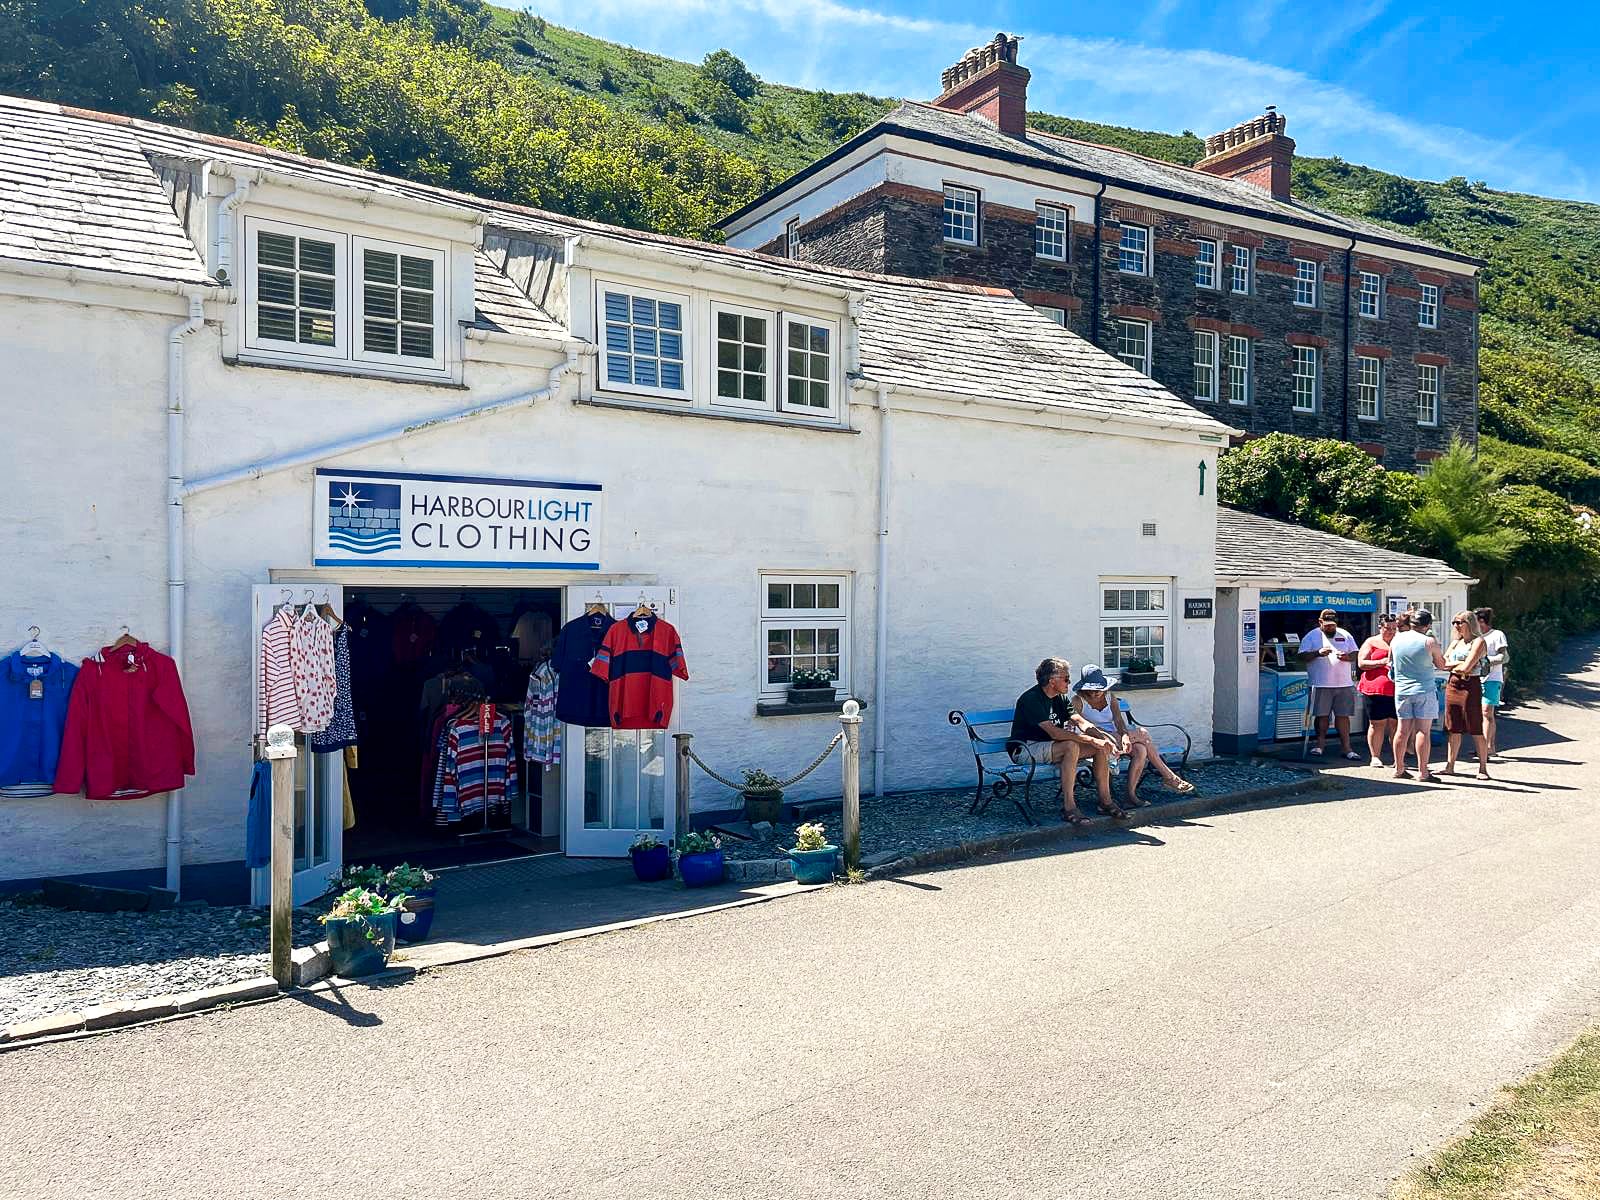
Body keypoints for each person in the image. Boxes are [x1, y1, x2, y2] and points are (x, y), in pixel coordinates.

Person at [1008, 657, 1121, 824]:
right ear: (1053, 681)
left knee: (1098, 748)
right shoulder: (1031, 699)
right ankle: (1069, 807)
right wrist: (1090, 739)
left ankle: (1105, 801)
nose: (1069, 682)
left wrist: (1102, 739)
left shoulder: (1060, 698)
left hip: (1052, 746)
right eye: (1066, 678)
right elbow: (1054, 733)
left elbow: (1080, 721)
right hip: (1026, 748)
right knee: (1071, 746)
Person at [1071, 664, 1196, 808]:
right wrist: (1112, 736)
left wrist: (1124, 736)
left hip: (1116, 736)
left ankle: (1130, 796)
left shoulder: (1110, 697)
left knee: (1141, 750)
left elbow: (1118, 720)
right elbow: (1080, 726)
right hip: (1097, 739)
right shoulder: (1078, 700)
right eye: (1090, 690)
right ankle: (1169, 777)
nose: (1093, 694)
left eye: (1097, 690)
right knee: (1142, 733)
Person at [1390, 610, 1448, 781]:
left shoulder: (1397, 638)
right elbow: (1441, 664)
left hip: (1402, 690)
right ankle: (1423, 771)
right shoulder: (1429, 641)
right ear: (1428, 625)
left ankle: (1399, 768)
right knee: (1423, 730)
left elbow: (1390, 661)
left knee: (1402, 730)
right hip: (1424, 689)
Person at [1298, 608, 1363, 761]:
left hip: (1344, 683)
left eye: (1332, 625)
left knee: (1343, 716)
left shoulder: (1345, 634)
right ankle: (1319, 745)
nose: (1330, 628)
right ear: (1320, 622)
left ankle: (1347, 748)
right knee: (1321, 716)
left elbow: (1355, 653)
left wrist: (1347, 657)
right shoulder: (1312, 636)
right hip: (1320, 683)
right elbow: (1301, 656)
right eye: (1327, 625)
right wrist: (1317, 653)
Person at [1443, 611, 1492, 779]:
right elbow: (1443, 663)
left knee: (1475, 725)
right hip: (1453, 684)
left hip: (1471, 685)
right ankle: (1450, 766)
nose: (1457, 626)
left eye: (1460, 622)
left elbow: (1468, 667)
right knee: (1453, 726)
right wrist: (1458, 665)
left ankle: (1483, 768)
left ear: (1469, 623)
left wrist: (1455, 665)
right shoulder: (1456, 643)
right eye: (1454, 623)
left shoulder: (1478, 642)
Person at [1357, 614, 1399, 768]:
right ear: (1380, 627)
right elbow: (1362, 663)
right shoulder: (1371, 641)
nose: (1391, 631)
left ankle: (1398, 758)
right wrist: (1380, 662)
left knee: (1396, 724)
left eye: (1394, 628)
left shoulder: (1399, 641)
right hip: (1375, 689)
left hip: (1397, 689)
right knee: (1377, 723)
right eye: (1388, 628)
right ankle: (1375, 756)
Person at [1475, 606, 1509, 759]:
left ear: (1482, 621)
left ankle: (1488, 747)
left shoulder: (1497, 635)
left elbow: (1505, 657)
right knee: (1478, 714)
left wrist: (1487, 661)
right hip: (1476, 678)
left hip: (1492, 678)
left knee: (1487, 712)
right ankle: (1485, 746)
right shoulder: (1475, 637)